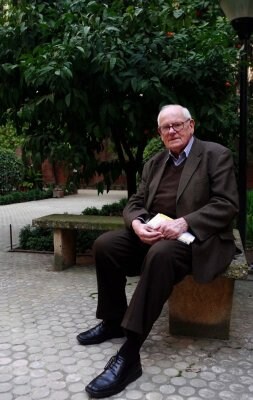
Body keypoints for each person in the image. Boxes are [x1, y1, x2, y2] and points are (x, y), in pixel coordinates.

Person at [77, 104, 239, 398]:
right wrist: (138, 224)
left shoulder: (216, 155)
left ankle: (129, 353)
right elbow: (135, 203)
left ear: (192, 125)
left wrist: (185, 223)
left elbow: (227, 205)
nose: (172, 131)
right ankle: (113, 321)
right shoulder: (154, 162)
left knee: (161, 255)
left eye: (177, 125)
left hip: (197, 240)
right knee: (106, 245)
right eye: (166, 127)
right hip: (155, 236)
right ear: (160, 133)